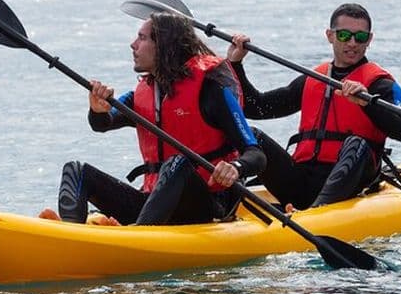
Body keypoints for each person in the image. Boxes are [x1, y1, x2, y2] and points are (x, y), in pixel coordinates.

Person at [39, 12, 266, 226]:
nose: (133, 44)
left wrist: (236, 167)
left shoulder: (210, 91)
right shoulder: (143, 94)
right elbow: (102, 124)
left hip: (209, 204)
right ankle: (74, 234)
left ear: (164, 46)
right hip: (153, 203)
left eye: (142, 38)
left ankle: (138, 237)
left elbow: (256, 154)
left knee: (177, 162)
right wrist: (97, 110)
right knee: (76, 170)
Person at [226, 3, 401, 211]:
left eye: (360, 37)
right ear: (330, 35)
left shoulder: (380, 85)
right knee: (251, 135)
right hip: (301, 183)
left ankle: (317, 211)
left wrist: (366, 103)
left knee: (358, 143)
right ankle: (225, 199)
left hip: (350, 183)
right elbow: (257, 107)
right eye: (344, 35)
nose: (352, 43)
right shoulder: (313, 79)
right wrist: (235, 64)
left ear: (369, 40)